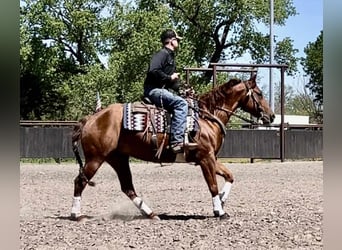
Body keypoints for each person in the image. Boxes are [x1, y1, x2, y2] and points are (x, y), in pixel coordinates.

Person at [143, 29, 197, 153]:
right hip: (153, 90)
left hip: (161, 89)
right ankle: (176, 141)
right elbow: (153, 70)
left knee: (186, 100)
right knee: (181, 104)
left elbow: (171, 83)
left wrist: (183, 90)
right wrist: (169, 77)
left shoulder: (170, 56)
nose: (178, 42)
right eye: (177, 39)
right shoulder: (162, 54)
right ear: (172, 40)